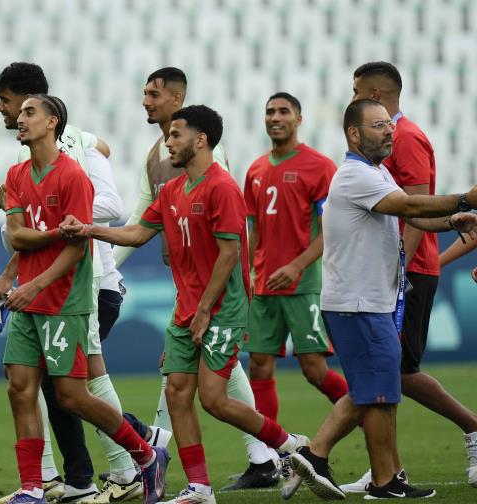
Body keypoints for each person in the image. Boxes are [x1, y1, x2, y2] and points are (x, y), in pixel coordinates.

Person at [63, 105, 310, 504]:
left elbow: (230, 254)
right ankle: (199, 488)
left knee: (213, 399)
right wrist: (90, 228)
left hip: (221, 308)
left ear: (200, 140)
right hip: (187, 308)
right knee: (178, 393)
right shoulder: (174, 190)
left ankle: (289, 446)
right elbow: (138, 233)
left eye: (175, 135)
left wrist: (206, 309)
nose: (168, 142)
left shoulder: (222, 186)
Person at [0, 62, 165, 504]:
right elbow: (19, 235)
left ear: (52, 122)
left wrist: (36, 276)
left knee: (71, 394)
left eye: (28, 112)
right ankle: (34, 487)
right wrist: (38, 250)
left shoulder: (73, 174)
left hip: (66, 298)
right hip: (29, 297)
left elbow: (79, 246)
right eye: (18, 112)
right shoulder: (16, 175)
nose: (17, 119)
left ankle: (143, 454)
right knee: (20, 385)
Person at [289, 98, 477, 500]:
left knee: (378, 392)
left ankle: (373, 474)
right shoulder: (356, 175)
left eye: (389, 125)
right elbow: (407, 204)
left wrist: (451, 221)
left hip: (367, 301)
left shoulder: (374, 173)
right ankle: (341, 464)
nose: (389, 131)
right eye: (378, 126)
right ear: (354, 134)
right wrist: (466, 199)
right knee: (374, 392)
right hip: (358, 303)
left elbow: (410, 216)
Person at [112, 67, 280, 491]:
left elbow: (224, 236)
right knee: (185, 386)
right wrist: (106, 259)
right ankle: (242, 463)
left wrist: (208, 302)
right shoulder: (160, 156)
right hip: (189, 290)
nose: (146, 101)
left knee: (207, 390)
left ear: (176, 98)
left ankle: (275, 449)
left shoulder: (206, 158)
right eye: (144, 93)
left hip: (216, 295)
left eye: (153, 94)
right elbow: (141, 221)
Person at [338, 61, 477, 492]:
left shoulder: (408, 138)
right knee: (387, 372)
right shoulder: (386, 143)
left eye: (357, 90)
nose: (352, 97)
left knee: (393, 371)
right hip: (399, 268)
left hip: (405, 270)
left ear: (375, 96)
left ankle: (471, 430)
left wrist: (399, 274)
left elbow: (414, 210)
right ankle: (387, 469)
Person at [242, 92, 349, 497]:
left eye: (283, 111)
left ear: (299, 118)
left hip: (303, 284)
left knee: (314, 370)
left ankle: (359, 408)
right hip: (264, 286)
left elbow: (330, 230)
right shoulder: (254, 170)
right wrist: (251, 274)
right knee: (260, 368)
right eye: (269, 111)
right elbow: (251, 231)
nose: (274, 117)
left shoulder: (319, 166)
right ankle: (278, 456)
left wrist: (298, 265)